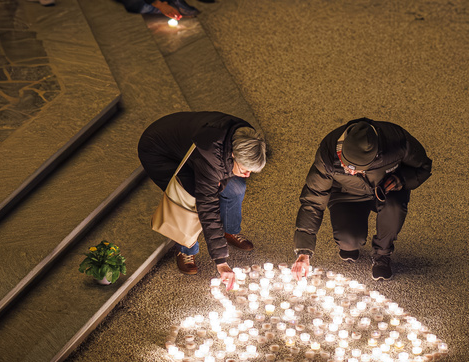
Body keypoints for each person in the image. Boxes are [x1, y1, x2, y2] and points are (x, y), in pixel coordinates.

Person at [290, 118, 432, 282]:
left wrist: (400, 180)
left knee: (395, 207)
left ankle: (382, 255)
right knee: (349, 241)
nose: (350, 172)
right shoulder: (328, 153)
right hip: (347, 192)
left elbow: (423, 167)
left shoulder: (397, 143)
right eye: (345, 166)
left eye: (357, 169)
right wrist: (304, 252)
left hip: (386, 190)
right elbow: (313, 200)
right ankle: (351, 240)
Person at [137, 111, 267, 280]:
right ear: (233, 155)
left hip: (192, 150)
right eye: (245, 169)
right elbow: (208, 207)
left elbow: (222, 173)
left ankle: (230, 231)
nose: (248, 174)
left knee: (237, 187)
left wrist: (223, 182)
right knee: (190, 199)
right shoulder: (211, 157)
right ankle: (186, 247)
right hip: (160, 152)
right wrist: (221, 261)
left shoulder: (247, 138)